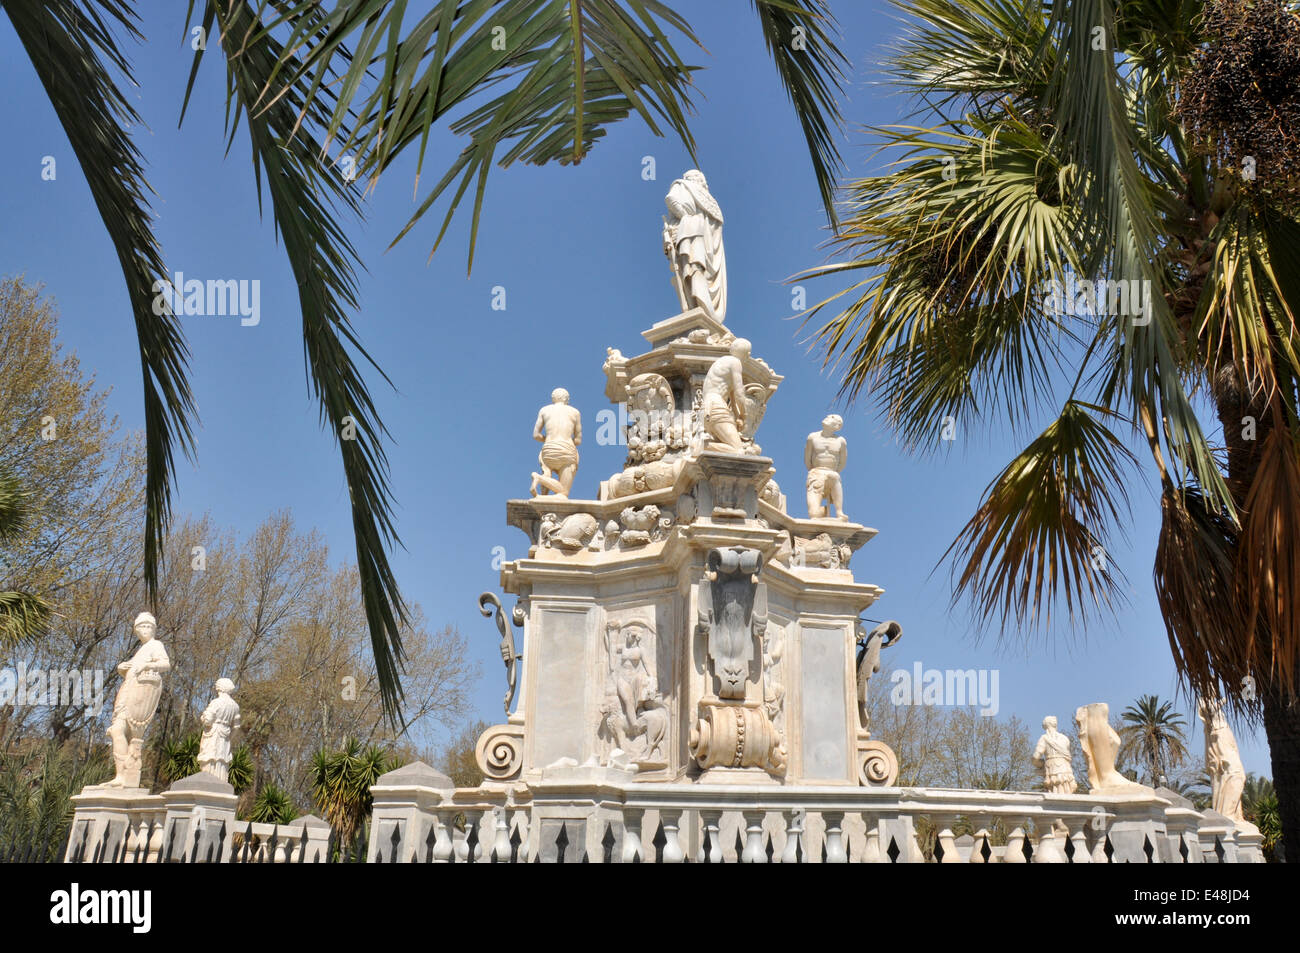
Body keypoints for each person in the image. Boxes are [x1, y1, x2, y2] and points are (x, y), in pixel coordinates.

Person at [105, 612, 170, 788]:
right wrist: (122, 668)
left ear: (154, 629)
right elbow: (134, 669)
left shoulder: (156, 645)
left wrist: (149, 665)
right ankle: (121, 775)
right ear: (136, 630)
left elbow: (165, 664)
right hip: (128, 691)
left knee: (119, 730)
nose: (145, 630)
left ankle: (126, 775)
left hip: (138, 697)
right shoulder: (141, 650)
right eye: (141, 626)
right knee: (117, 730)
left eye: (148, 626)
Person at [663, 170, 727, 321]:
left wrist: (684, 217)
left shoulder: (708, 200)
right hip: (693, 234)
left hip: (701, 238)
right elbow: (671, 198)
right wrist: (685, 216)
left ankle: (700, 305)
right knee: (694, 267)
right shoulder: (683, 185)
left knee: (694, 268)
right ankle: (699, 305)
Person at [530, 388, 582, 498]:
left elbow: (536, 435)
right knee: (563, 493)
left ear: (553, 398)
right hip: (567, 450)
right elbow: (578, 440)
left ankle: (543, 489)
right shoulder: (575, 412)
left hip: (548, 450)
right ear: (566, 399)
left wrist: (549, 439)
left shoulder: (544, 410)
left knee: (547, 471)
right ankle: (539, 478)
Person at [701, 339, 750, 453]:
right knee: (738, 451)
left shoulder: (721, 363)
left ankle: (704, 446)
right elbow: (739, 394)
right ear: (747, 354)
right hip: (717, 408)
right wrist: (744, 415)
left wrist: (738, 417)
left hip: (707, 410)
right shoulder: (735, 362)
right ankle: (700, 446)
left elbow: (732, 399)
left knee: (723, 449)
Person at [805, 414, 849, 520]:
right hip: (816, 472)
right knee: (813, 514)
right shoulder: (812, 437)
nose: (828, 417)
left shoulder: (841, 441)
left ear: (838, 426)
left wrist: (832, 471)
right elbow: (807, 459)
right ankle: (822, 511)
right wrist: (815, 471)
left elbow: (843, 462)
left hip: (832, 472)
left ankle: (839, 512)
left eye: (832, 417)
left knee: (835, 477)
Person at [198, 678, 241, 783]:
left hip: (213, 732)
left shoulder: (216, 702)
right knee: (221, 759)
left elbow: (208, 720)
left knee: (210, 757)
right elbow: (236, 727)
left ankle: (207, 782)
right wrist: (229, 738)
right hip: (225, 735)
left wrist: (203, 717)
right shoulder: (235, 706)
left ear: (220, 688)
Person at [1031, 715, 1078, 794]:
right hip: (1066, 769)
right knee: (1066, 792)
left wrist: (1040, 764)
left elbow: (1036, 756)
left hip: (1052, 768)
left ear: (1045, 725)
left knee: (1055, 792)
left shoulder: (1044, 738)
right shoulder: (1065, 738)